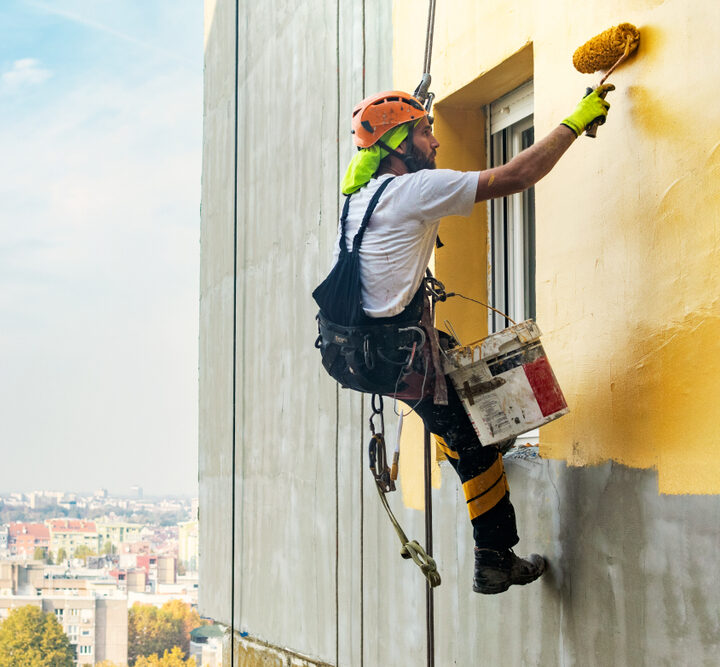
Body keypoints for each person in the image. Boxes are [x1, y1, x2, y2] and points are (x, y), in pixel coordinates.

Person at [314, 86, 613, 594]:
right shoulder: (415, 190)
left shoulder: (361, 196)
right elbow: (518, 175)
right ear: (397, 146)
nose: (434, 142)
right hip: (393, 353)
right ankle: (494, 559)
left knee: (460, 383)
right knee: (470, 442)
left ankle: (487, 435)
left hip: (355, 348)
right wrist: (575, 119)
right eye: (425, 132)